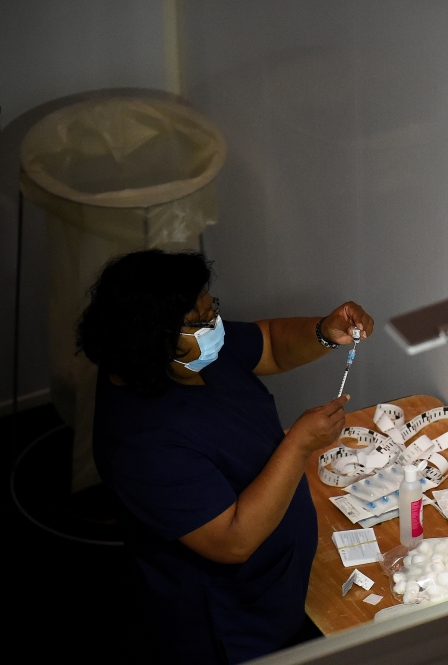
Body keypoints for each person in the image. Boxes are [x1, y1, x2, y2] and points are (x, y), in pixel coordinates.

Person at [79, 249, 374, 664]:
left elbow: (268, 345)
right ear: (152, 337)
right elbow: (233, 541)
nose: (214, 324)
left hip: (276, 584)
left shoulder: (190, 356)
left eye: (210, 307)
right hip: (229, 620)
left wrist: (325, 332)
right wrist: (299, 445)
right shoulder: (140, 442)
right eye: (200, 320)